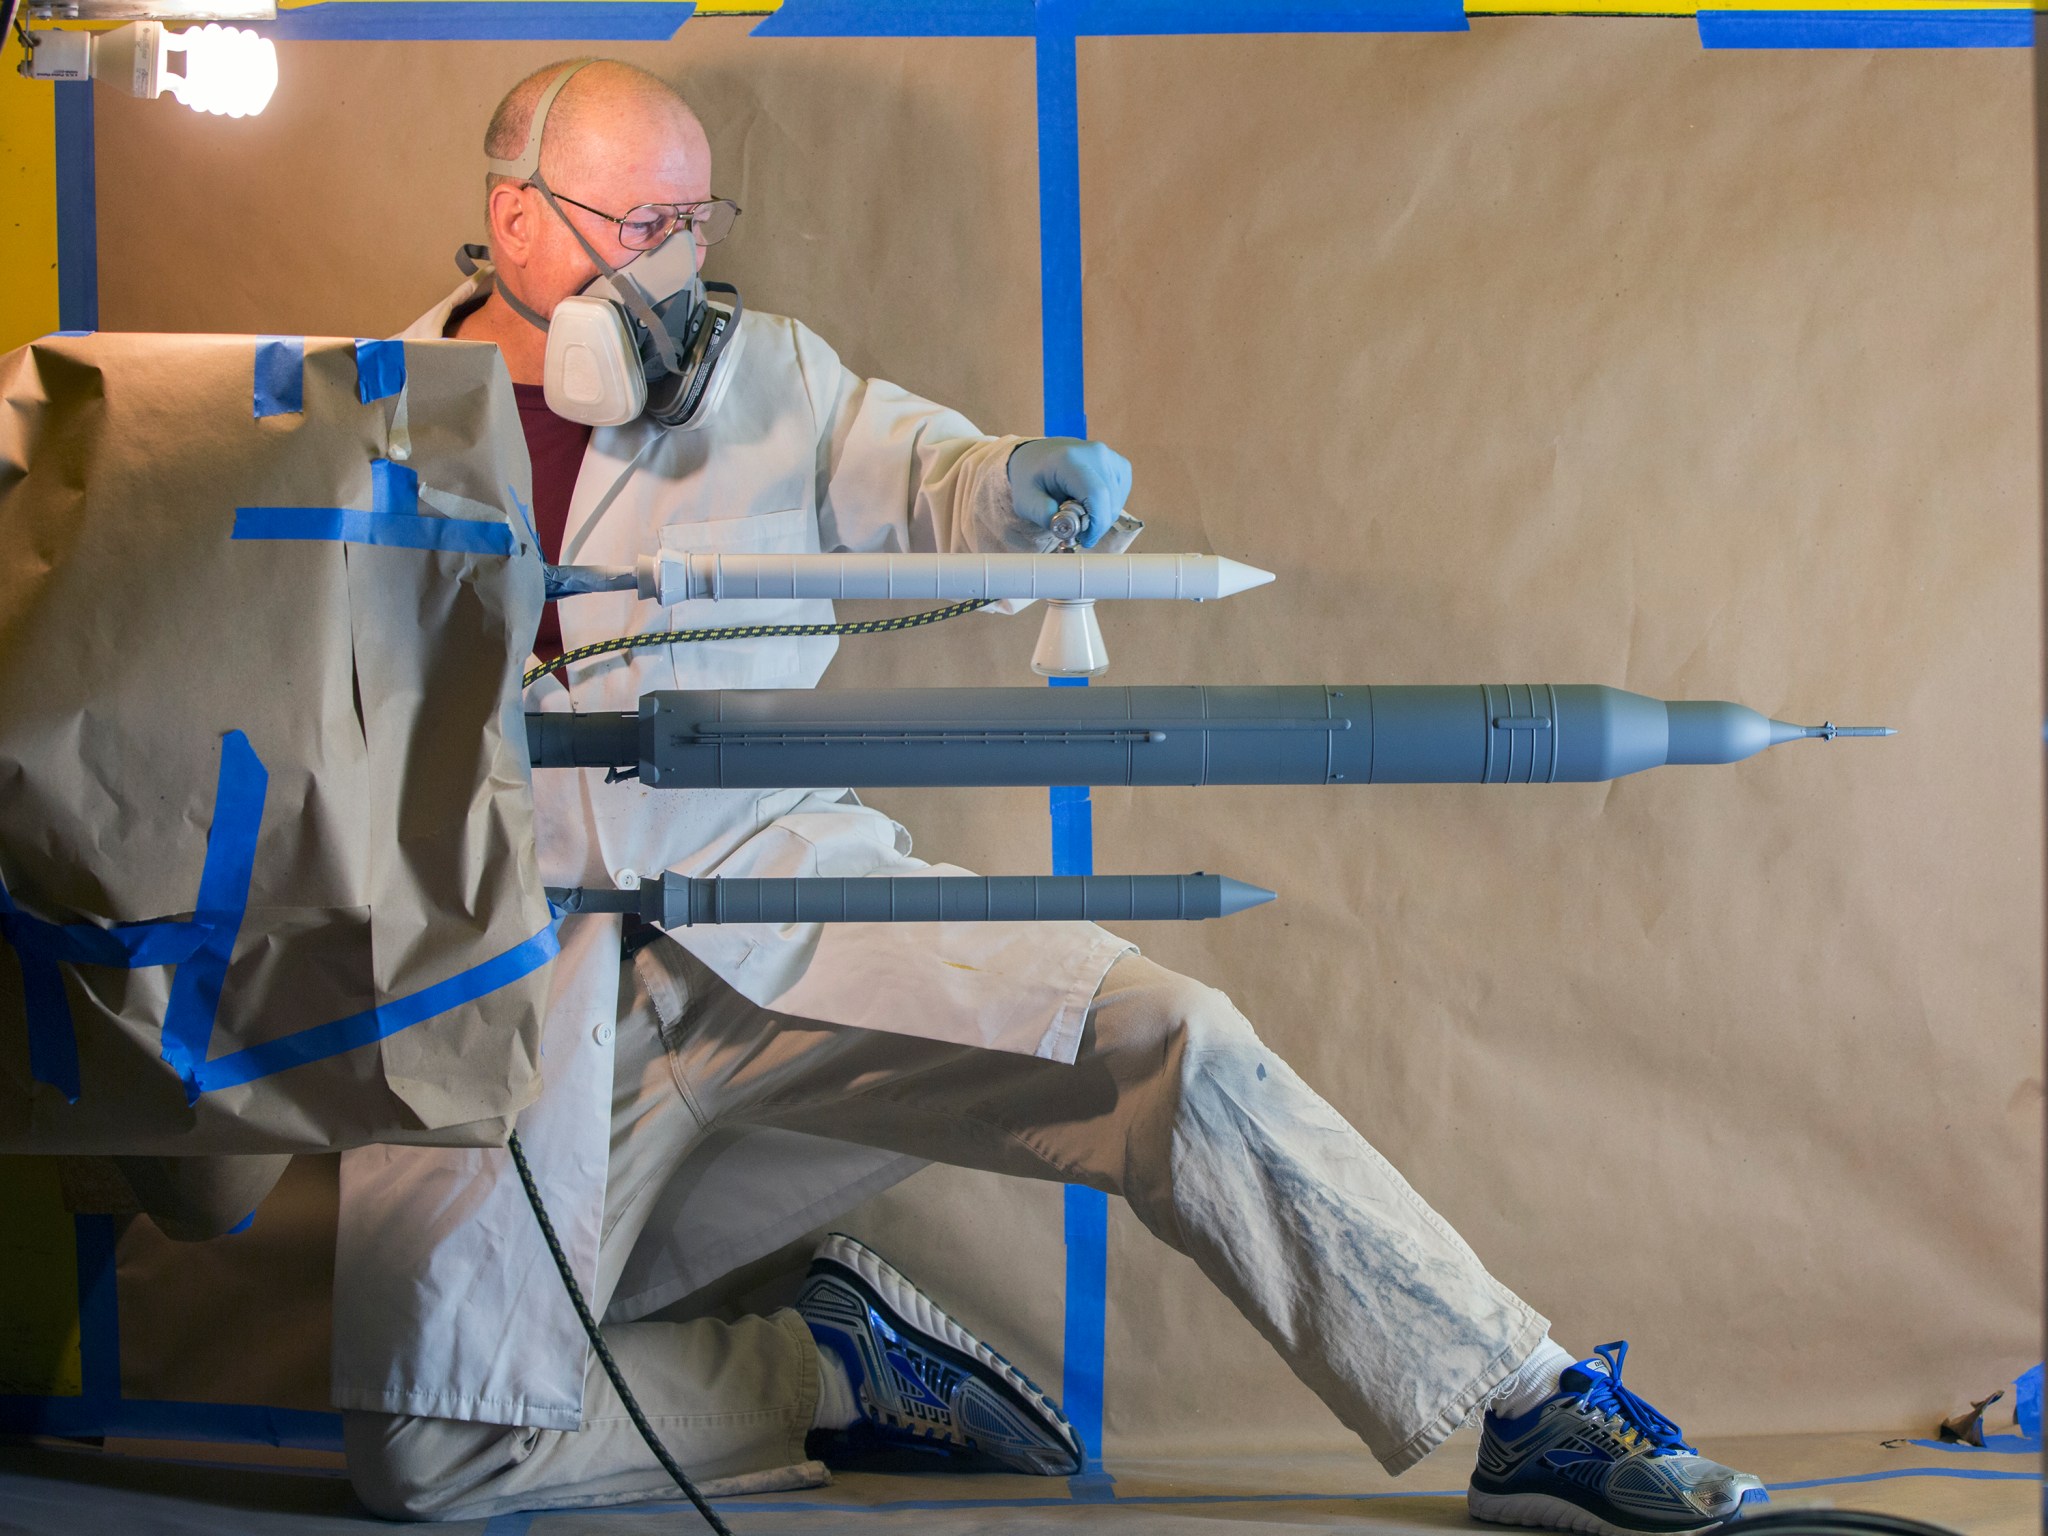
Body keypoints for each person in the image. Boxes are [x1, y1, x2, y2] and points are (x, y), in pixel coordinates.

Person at [331, 57, 1769, 1536]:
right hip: (495, 980)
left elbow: (929, 474)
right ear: (515, 225)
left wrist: (1011, 483)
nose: (681, 268)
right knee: (429, 1462)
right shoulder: (347, 431)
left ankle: (1522, 1403)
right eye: (642, 225)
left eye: (698, 223)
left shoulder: (774, 378)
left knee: (1166, 1035)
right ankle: (827, 1366)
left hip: (778, 906)